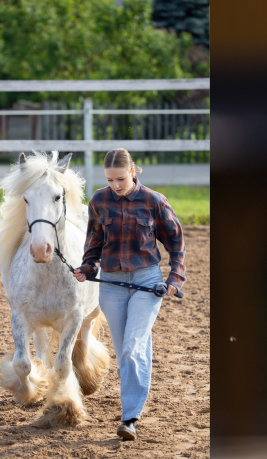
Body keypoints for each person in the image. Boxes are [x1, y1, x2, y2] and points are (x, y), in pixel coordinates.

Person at [73, 148, 187, 440]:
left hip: (147, 281)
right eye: (110, 180)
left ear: (133, 171)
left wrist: (175, 278)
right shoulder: (99, 200)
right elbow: (94, 243)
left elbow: (176, 243)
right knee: (129, 349)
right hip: (111, 284)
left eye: (121, 178)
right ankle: (132, 410)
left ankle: (129, 417)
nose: (116, 185)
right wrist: (87, 267)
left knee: (131, 347)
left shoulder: (154, 201)